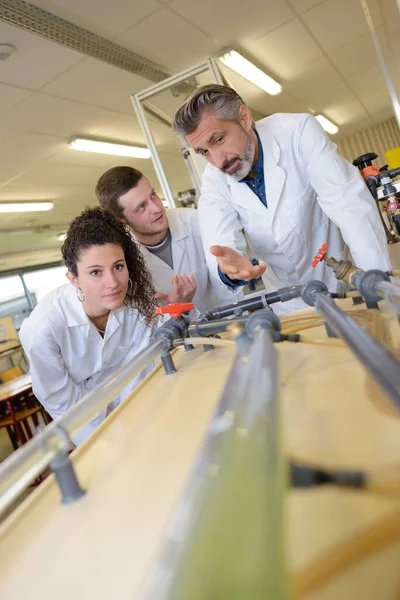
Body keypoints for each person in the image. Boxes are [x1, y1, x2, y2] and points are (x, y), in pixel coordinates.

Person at [173, 84, 392, 313]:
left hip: (342, 281)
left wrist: (377, 287)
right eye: (204, 152)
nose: (218, 161)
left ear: (244, 118)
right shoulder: (214, 178)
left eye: (218, 140)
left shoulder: (297, 132)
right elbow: (220, 240)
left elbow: (351, 209)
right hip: (289, 302)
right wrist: (230, 269)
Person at [20, 207, 159, 445]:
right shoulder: (43, 329)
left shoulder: (137, 302)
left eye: (118, 266)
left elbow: (140, 364)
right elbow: (59, 399)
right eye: (95, 272)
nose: (112, 283)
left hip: (138, 403)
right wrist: (107, 432)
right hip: (84, 425)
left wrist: (132, 416)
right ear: (74, 280)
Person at [95, 166, 237, 314]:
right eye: (141, 207)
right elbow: (141, 321)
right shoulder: (122, 259)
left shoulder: (195, 222)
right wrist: (179, 309)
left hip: (226, 323)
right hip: (173, 335)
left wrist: (231, 325)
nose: (156, 208)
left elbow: (227, 288)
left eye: (153, 195)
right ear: (122, 222)